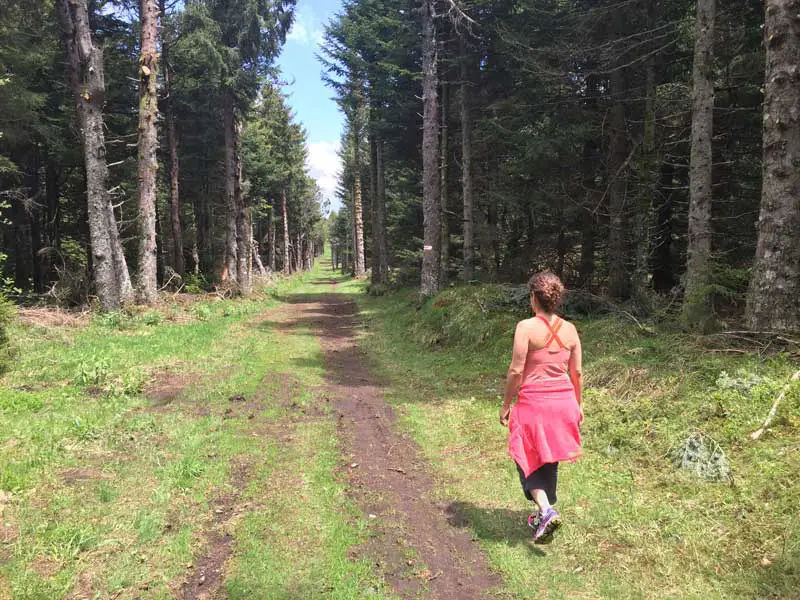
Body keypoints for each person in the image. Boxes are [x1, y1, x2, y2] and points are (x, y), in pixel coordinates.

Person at [499, 271, 583, 543]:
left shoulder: (525, 327)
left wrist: (506, 404)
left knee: (527, 456)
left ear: (534, 297)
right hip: (564, 403)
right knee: (547, 456)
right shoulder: (570, 330)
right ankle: (542, 512)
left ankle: (546, 510)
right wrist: (578, 406)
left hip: (534, 405)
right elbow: (577, 372)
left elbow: (515, 370)